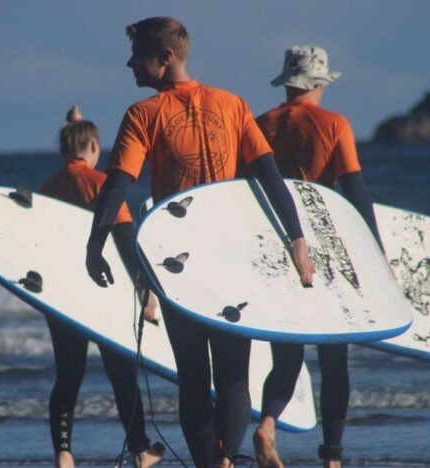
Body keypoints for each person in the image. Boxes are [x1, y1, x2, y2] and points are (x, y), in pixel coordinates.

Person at [83, 18, 316, 468]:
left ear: (164, 59)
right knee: (232, 374)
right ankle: (227, 460)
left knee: (193, 375)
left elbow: (117, 186)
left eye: (138, 55)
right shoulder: (232, 104)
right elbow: (270, 179)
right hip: (233, 256)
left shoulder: (142, 114)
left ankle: (214, 464)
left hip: (177, 261)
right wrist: (297, 239)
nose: (130, 63)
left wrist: (95, 245)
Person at [252, 45, 383, 468]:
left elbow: (245, 190)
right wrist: (374, 254)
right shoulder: (334, 124)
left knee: (286, 356)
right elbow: (355, 191)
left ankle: (268, 423)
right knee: (334, 361)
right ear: (319, 83)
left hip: (275, 245)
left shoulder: (260, 125)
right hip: (325, 248)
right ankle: (332, 459)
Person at [39, 105, 165, 468]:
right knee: (122, 375)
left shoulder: (48, 188)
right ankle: (140, 450)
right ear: (93, 145)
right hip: (105, 294)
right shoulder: (101, 185)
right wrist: (147, 291)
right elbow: (127, 244)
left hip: (62, 296)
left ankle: (64, 453)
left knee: (68, 376)